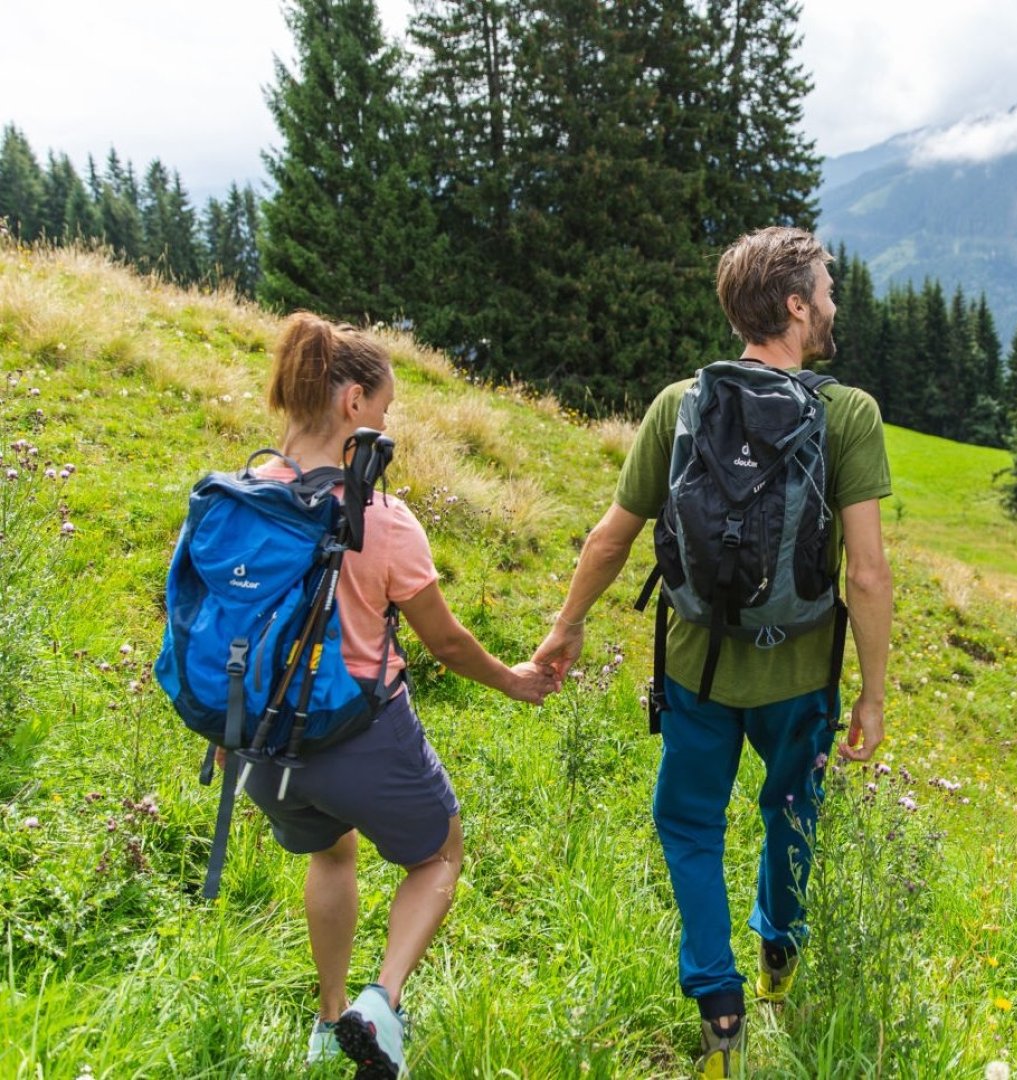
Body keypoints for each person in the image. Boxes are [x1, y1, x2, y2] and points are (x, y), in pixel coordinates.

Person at [532, 226, 893, 1077]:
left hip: (695, 668)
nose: (834, 302)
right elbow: (869, 575)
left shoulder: (680, 404)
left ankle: (719, 1007)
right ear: (796, 306)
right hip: (801, 673)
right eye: (826, 289)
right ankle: (779, 952)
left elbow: (612, 538)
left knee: (689, 823)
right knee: (792, 813)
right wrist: (873, 694)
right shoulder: (846, 414)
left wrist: (567, 623)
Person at [238, 312, 560, 1078]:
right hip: (358, 732)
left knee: (331, 852)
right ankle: (378, 1005)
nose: (387, 424)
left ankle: (325, 1025)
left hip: (261, 743)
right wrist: (515, 681)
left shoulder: (242, 498)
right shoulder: (382, 521)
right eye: (383, 408)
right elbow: (446, 642)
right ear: (352, 403)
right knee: (439, 855)